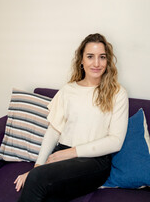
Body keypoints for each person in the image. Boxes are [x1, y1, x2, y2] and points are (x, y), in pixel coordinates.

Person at [14, 33, 129, 202]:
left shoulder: (118, 93)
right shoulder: (68, 90)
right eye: (90, 57)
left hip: (94, 162)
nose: (96, 63)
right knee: (44, 193)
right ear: (81, 61)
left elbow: (115, 141)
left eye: (102, 57)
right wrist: (37, 166)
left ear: (108, 61)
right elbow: (54, 130)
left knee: (37, 179)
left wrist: (71, 153)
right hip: (62, 154)